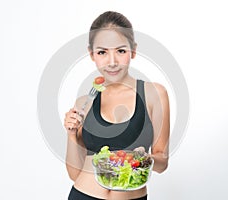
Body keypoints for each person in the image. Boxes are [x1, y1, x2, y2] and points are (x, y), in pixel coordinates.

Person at [64, 11, 170, 200]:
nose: (112, 62)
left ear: (133, 50)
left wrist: (145, 159)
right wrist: (71, 134)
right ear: (92, 54)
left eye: (120, 51)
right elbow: (74, 174)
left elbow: (162, 162)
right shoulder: (84, 102)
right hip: (83, 194)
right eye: (102, 52)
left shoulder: (154, 94)